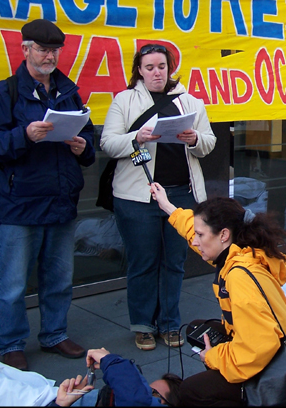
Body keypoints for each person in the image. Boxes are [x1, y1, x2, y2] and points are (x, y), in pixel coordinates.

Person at [0, 19, 96, 371]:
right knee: (13, 284)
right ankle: (11, 343)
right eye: (43, 49)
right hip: (18, 205)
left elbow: (88, 138)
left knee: (59, 278)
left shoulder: (68, 92)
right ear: (25, 49)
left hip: (60, 202)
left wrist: (83, 147)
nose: (50, 56)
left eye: (55, 50)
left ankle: (55, 334)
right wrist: (24, 135)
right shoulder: (5, 92)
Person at [149, 184, 286, 406]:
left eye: (200, 235)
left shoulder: (239, 276)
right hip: (278, 349)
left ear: (224, 235)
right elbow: (194, 229)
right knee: (198, 329)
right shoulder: (239, 250)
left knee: (191, 391)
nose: (195, 241)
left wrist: (213, 357)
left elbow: (259, 346)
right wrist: (168, 206)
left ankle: (255, 395)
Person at [100, 43, 216, 351]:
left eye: (162, 67)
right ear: (139, 70)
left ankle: (168, 323)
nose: (156, 73)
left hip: (180, 195)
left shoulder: (190, 101)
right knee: (143, 262)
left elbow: (209, 143)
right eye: (149, 67)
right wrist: (135, 137)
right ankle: (143, 325)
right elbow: (108, 143)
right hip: (137, 197)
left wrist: (194, 139)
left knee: (174, 262)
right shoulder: (124, 100)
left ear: (169, 68)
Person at [0, 348, 180, 406]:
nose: (144, 390)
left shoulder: (137, 399)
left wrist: (112, 362)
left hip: (34, 400)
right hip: (45, 392)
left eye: (152, 393)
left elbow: (135, 401)